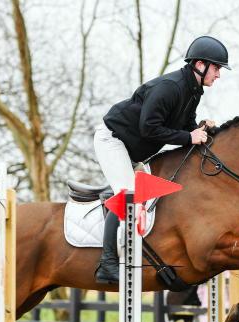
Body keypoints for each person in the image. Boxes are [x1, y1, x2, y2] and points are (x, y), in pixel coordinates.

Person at [92, 36, 230, 283]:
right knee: (129, 193)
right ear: (200, 65)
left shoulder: (193, 91)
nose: (219, 75)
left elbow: (184, 126)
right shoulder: (169, 87)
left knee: (150, 193)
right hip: (113, 139)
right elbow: (149, 128)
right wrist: (189, 136)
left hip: (133, 148)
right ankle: (107, 263)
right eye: (217, 68)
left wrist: (200, 128)